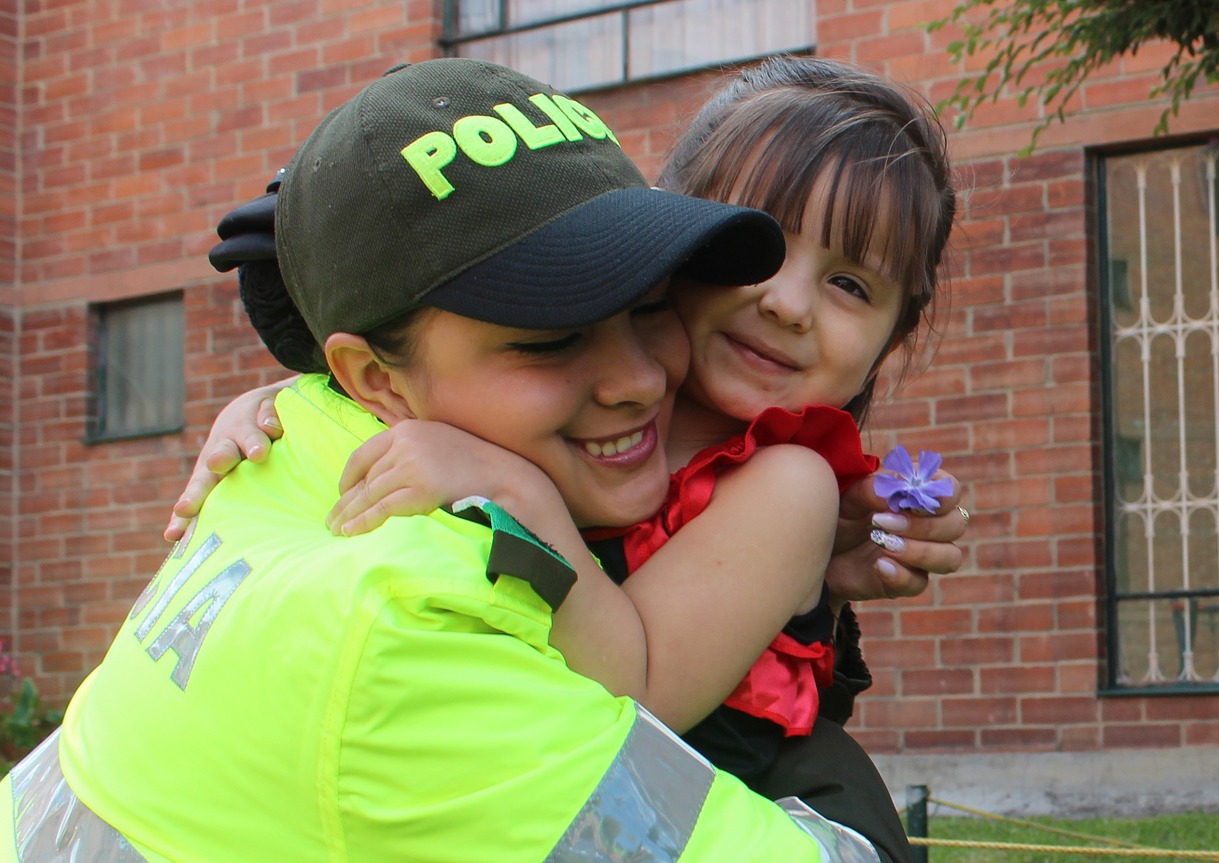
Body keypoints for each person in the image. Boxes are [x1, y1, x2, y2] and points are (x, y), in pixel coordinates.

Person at [0, 58, 888, 862]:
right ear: (372, 380)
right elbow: (642, 709)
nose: (639, 377)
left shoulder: (310, 438)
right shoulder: (405, 632)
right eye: (551, 340)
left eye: (652, 303)